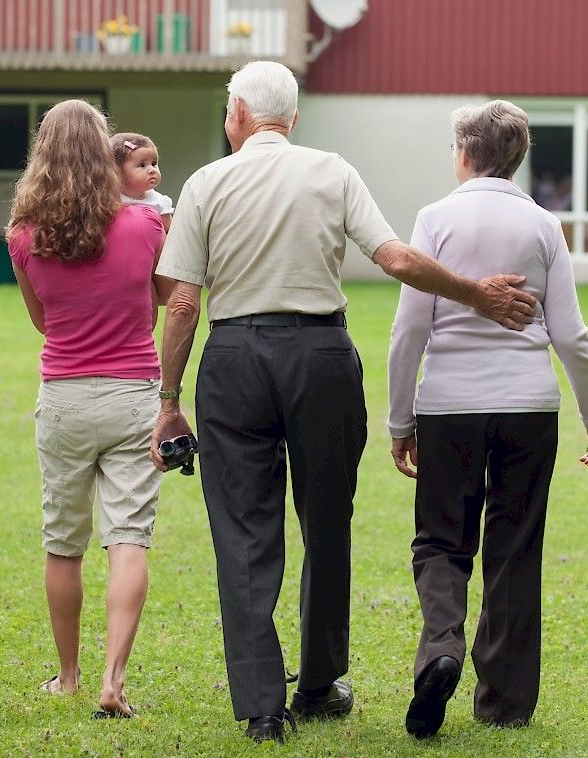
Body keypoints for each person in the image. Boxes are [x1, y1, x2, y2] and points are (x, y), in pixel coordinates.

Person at [150, 61, 538, 744]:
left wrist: (168, 400)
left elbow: (183, 301)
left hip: (234, 358)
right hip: (321, 360)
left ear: (237, 112)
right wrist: (477, 294)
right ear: (292, 119)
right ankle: (322, 681)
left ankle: (265, 708)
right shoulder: (331, 171)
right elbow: (394, 259)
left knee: (243, 533)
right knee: (326, 520)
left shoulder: (206, 183)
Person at [387, 100, 588, 739]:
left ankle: (441, 650)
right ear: (518, 156)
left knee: (440, 540)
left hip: (449, 407)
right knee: (515, 548)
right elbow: (571, 334)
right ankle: (505, 701)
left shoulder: (434, 219)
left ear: (463, 153)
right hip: (528, 407)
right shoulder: (543, 226)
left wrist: (401, 420)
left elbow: (409, 330)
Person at [6, 100, 171, 718]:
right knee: (128, 539)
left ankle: (69, 676)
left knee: (63, 543)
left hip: (65, 398)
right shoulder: (145, 226)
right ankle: (113, 678)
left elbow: (42, 322)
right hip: (134, 395)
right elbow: (165, 296)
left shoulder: (23, 236)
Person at [110, 132, 174, 231]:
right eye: (142, 165)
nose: (152, 170)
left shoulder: (159, 203)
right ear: (118, 171)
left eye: (154, 163)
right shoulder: (112, 200)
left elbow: (172, 234)